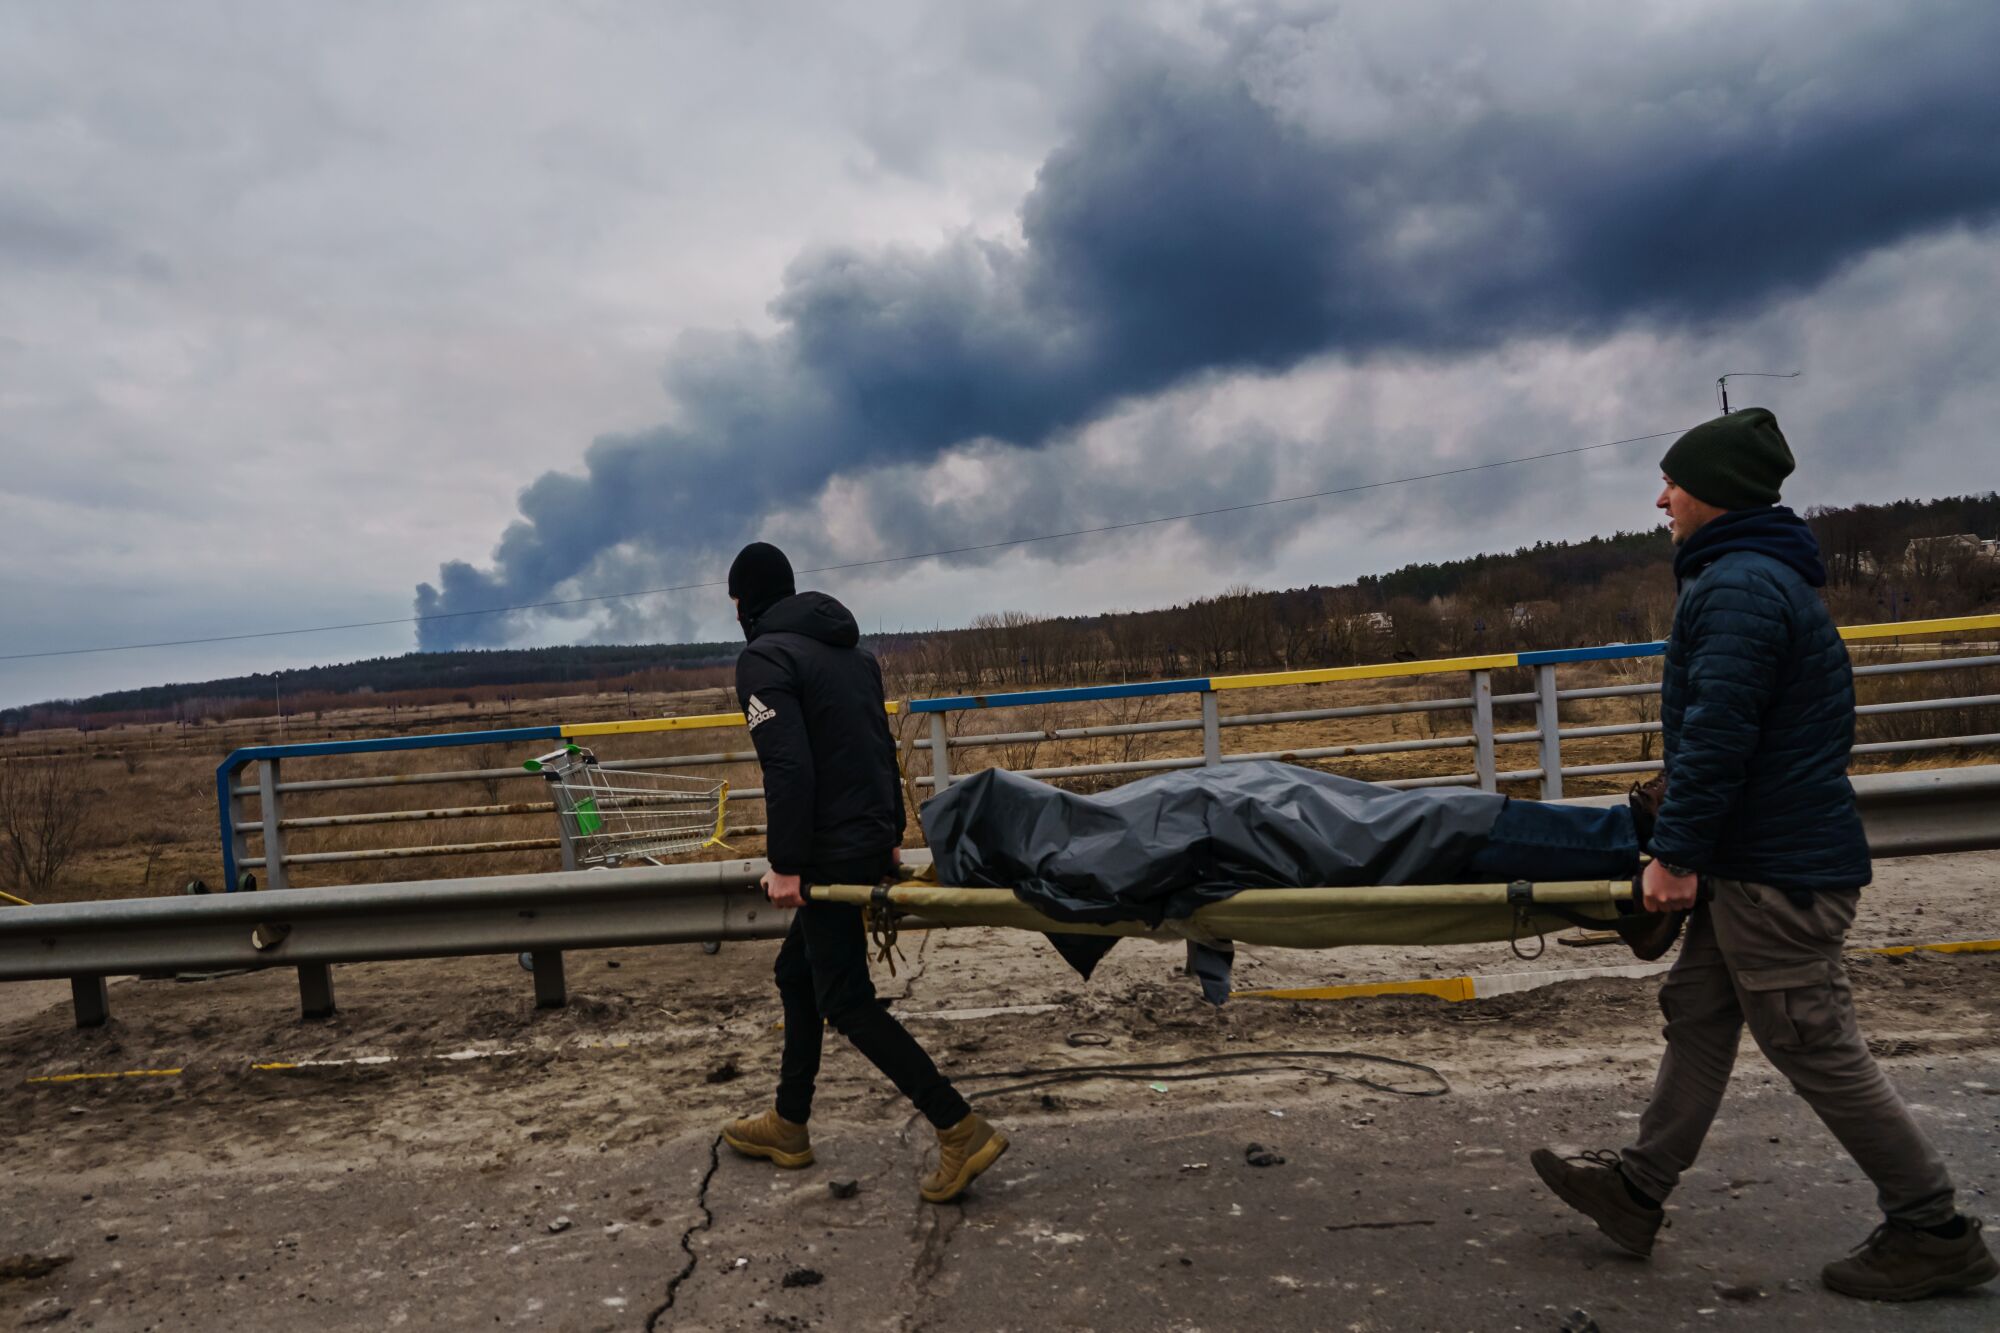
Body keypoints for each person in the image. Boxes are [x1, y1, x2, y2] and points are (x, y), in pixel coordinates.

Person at [1530, 408, 1996, 1300]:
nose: (1660, 497)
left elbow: (1719, 740)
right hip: (1760, 865)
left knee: (1812, 1041)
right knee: (1700, 1012)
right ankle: (1637, 1188)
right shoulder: (1754, 575)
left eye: (1673, 482)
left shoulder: (1740, 586)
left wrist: (1673, 854)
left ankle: (1931, 1224)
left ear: (1714, 492)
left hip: (1776, 877)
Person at [718, 541, 1009, 1203]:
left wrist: (787, 865)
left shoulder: (764, 658)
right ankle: (789, 1123)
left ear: (745, 600)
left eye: (735, 602)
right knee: (796, 972)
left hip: (822, 852)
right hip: (862, 838)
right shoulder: (853, 655)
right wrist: (888, 841)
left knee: (845, 999)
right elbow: (878, 750)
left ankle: (957, 1125)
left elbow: (788, 767)